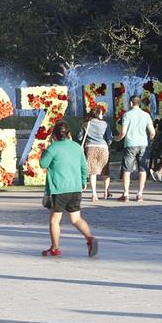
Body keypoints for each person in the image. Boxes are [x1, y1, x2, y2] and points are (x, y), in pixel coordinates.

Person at [39, 128, 98, 257]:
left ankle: (55, 248)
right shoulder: (77, 147)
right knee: (76, 218)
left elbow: (43, 164)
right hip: (75, 188)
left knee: (55, 220)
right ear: (69, 134)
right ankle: (89, 238)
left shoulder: (53, 148)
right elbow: (84, 167)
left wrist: (44, 153)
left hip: (59, 188)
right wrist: (83, 181)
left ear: (54, 135)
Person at [118, 95, 155, 202]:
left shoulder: (127, 115)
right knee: (143, 169)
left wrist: (117, 138)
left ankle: (126, 194)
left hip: (130, 144)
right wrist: (149, 140)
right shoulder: (146, 115)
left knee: (127, 169)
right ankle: (140, 194)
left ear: (130, 103)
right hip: (143, 144)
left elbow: (123, 132)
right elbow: (152, 132)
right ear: (140, 103)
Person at [81, 107, 112, 201]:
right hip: (103, 148)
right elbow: (109, 139)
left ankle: (94, 194)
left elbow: (79, 137)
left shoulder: (86, 124)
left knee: (92, 172)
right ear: (98, 114)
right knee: (105, 171)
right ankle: (106, 192)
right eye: (101, 113)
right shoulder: (105, 124)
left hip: (90, 148)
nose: (102, 115)